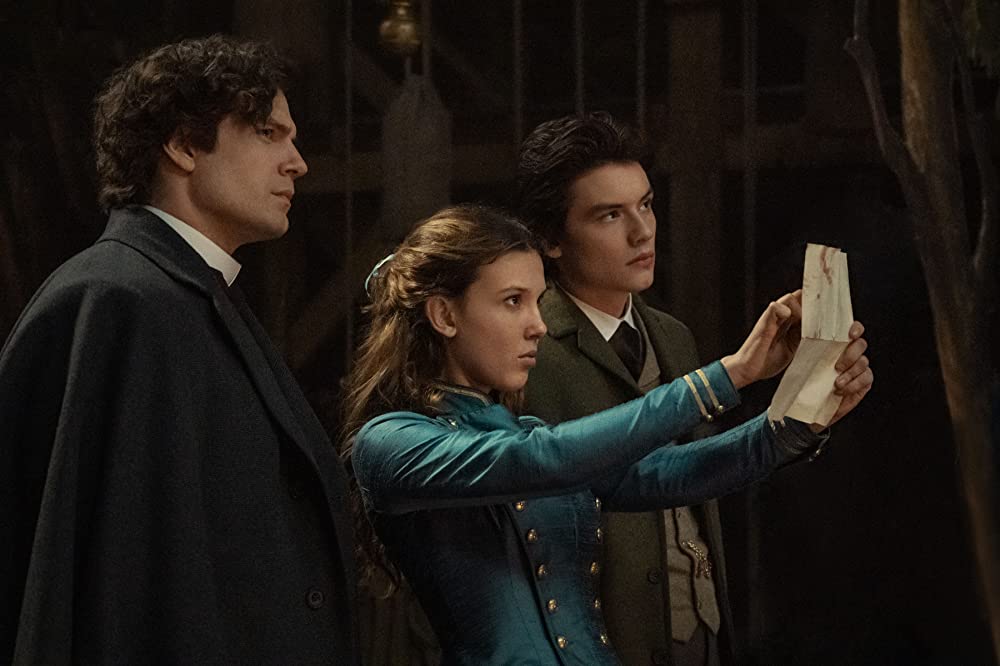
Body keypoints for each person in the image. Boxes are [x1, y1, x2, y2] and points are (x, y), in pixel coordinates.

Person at [341, 204, 873, 665]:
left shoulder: (528, 432)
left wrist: (795, 420)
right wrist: (728, 375)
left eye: (537, 300)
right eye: (513, 301)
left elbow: (667, 474)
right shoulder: (390, 442)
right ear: (443, 314)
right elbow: (540, 459)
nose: (538, 325)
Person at [0, 35, 355, 664]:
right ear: (185, 144)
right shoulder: (118, 301)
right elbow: (112, 582)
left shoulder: (186, 296)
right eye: (268, 133)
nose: (298, 162)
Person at [519, 110, 784, 665]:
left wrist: (806, 408)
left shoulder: (671, 336)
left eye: (645, 204)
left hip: (702, 631)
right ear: (550, 238)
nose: (642, 232)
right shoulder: (529, 349)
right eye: (610, 215)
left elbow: (702, 471)